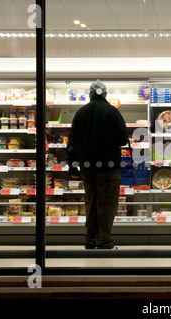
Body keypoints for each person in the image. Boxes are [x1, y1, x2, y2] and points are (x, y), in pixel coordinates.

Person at [67, 80, 128, 249]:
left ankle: (90, 241)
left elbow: (72, 142)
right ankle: (104, 242)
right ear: (106, 94)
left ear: (90, 94)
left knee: (91, 203)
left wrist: (72, 165)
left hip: (87, 168)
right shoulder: (112, 112)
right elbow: (123, 140)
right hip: (108, 168)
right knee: (107, 205)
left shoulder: (81, 113)